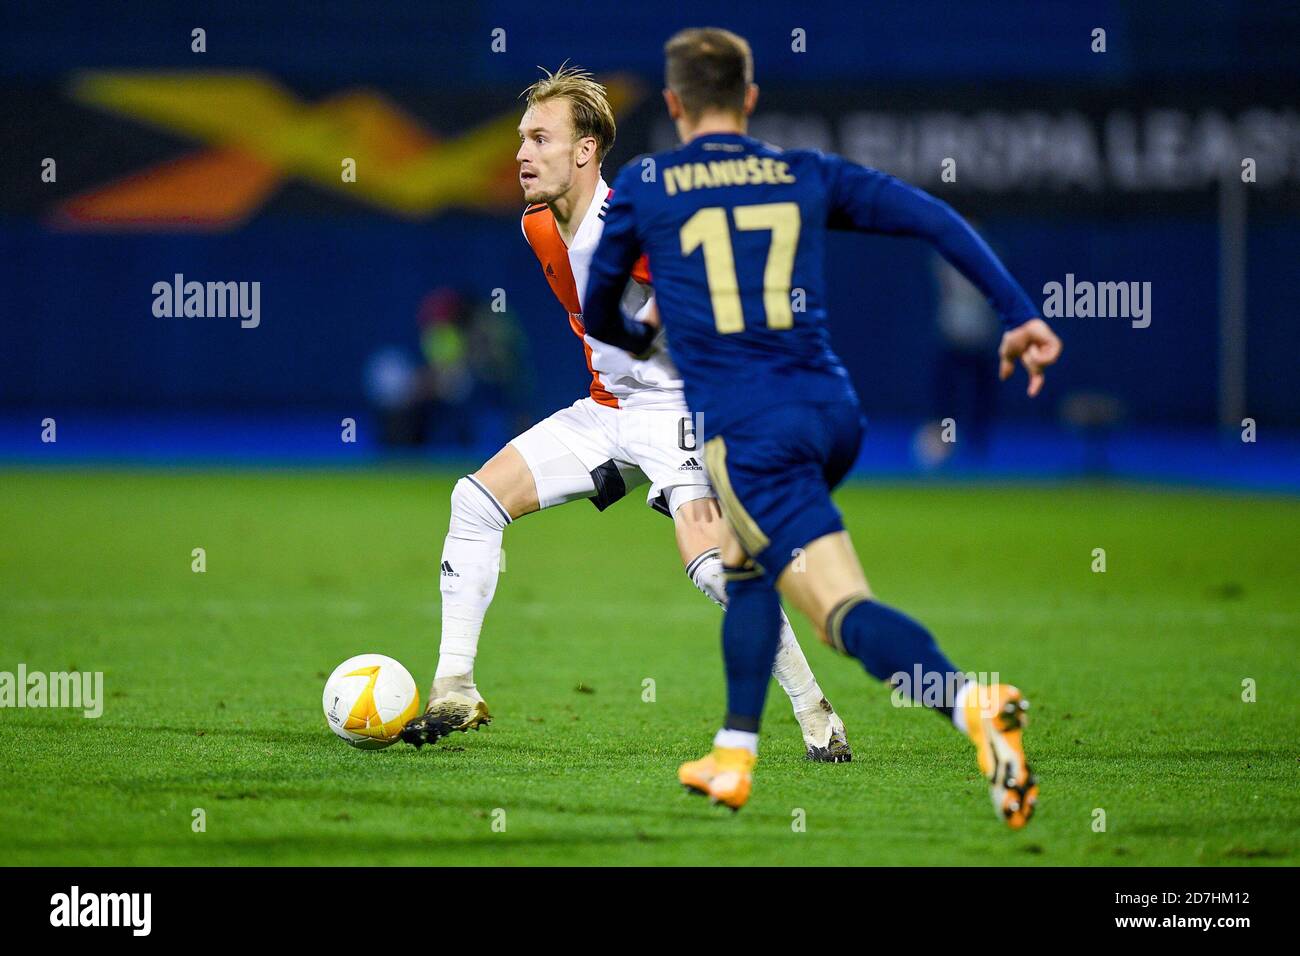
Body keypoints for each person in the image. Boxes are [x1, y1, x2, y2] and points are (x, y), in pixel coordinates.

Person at [581, 29, 1062, 826]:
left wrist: (643, 339)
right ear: (751, 99)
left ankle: (972, 705)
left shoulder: (649, 183)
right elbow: (933, 219)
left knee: (835, 609)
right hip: (833, 412)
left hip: (748, 425)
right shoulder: (801, 171)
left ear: (671, 104)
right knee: (749, 565)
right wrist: (1018, 314)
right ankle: (733, 754)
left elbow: (603, 310)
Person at [401, 66, 852, 762]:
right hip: (607, 413)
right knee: (474, 500)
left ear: (584, 152)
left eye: (540, 139)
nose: (521, 153)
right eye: (521, 137)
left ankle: (816, 713)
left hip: (680, 413)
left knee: (713, 570)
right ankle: (455, 686)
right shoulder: (538, 229)